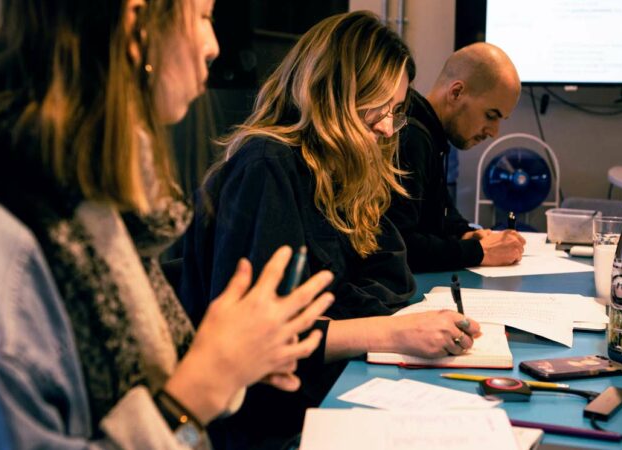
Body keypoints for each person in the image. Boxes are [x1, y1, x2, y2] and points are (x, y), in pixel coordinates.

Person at [0, 0, 336, 448]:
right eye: (203, 17)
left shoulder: (90, 202)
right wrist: (204, 384)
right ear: (137, 26)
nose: (213, 46)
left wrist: (237, 356)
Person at [180, 11, 482, 448]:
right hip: (268, 423)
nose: (387, 127)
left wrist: (333, 319)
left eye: (395, 111)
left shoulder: (343, 167)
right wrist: (391, 331)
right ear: (333, 94)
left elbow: (394, 277)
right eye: (378, 107)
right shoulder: (268, 166)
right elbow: (263, 341)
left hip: (323, 389)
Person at [385, 42, 526, 272]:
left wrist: (465, 233)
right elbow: (399, 246)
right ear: (456, 93)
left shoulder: (433, 135)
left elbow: (440, 213)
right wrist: (479, 252)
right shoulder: (411, 137)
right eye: (491, 115)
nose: (494, 132)